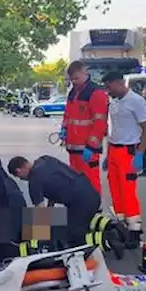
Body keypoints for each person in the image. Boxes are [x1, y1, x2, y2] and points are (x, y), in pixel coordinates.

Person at [8, 154, 104, 249]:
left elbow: (40, 212)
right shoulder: (45, 159)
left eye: (19, 176)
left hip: (82, 205)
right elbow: (54, 187)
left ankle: (103, 240)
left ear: (19, 170)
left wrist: (36, 237)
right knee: (63, 220)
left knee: (69, 235)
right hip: (92, 194)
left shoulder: (34, 181)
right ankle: (97, 224)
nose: (21, 179)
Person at [103, 71, 146, 247]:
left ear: (119, 82)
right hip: (114, 150)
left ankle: (134, 230)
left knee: (128, 191)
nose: (108, 91)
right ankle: (121, 223)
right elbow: (113, 129)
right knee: (115, 189)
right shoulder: (114, 102)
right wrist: (108, 155)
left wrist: (140, 153)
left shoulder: (136, 101)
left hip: (128, 152)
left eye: (110, 87)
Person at [59, 61, 109, 195]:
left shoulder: (96, 93)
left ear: (85, 72)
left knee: (91, 180)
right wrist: (64, 129)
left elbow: (100, 123)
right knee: (76, 180)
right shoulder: (73, 93)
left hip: (88, 149)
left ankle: (95, 209)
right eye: (72, 79)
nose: (74, 82)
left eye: (76, 78)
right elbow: (68, 114)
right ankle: (81, 207)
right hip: (73, 147)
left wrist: (92, 146)